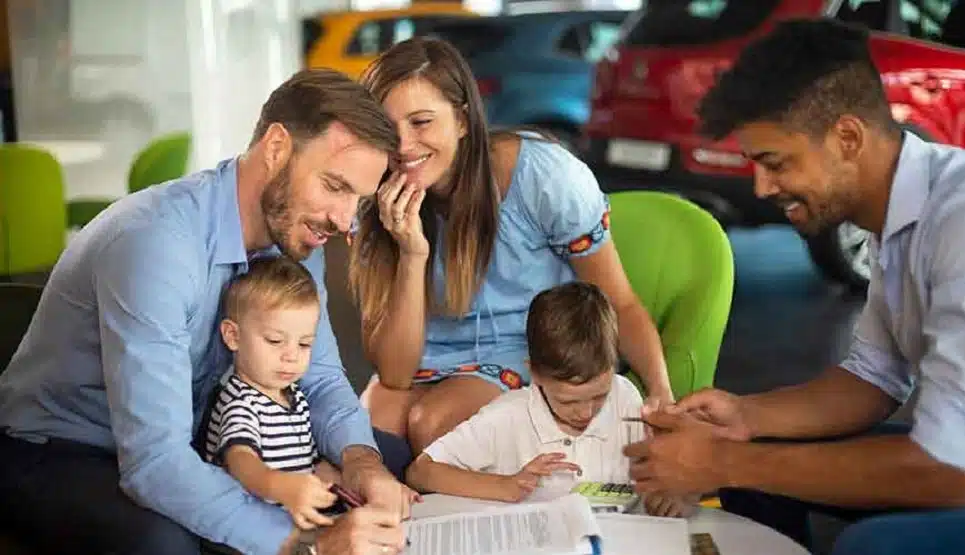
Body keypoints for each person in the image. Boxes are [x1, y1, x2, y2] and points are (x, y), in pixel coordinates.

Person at [621, 18, 965, 554]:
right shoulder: (900, 219)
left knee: (873, 546)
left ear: (847, 137)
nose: (762, 186)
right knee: (751, 454)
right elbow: (872, 379)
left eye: (776, 163)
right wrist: (746, 417)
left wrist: (722, 461)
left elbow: (946, 475)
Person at [0, 69, 413, 555]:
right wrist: (311, 544)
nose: (345, 221)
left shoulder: (294, 238)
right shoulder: (156, 243)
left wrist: (362, 464)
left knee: (391, 456)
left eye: (358, 200)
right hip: (60, 451)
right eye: (334, 185)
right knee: (165, 545)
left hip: (196, 431)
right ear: (277, 147)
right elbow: (154, 462)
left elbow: (318, 379)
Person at [348, 37, 674, 455]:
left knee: (432, 426)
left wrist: (661, 391)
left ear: (463, 120)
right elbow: (394, 374)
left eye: (421, 122)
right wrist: (412, 254)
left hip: (521, 349)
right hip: (424, 358)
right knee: (368, 440)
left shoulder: (542, 175)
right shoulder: (370, 200)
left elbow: (620, 301)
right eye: (386, 128)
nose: (403, 146)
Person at [406, 282, 696, 517]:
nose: (585, 412)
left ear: (613, 368)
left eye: (598, 395)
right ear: (534, 373)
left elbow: (684, 472)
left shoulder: (625, 397)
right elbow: (421, 471)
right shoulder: (508, 416)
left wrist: (676, 495)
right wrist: (504, 486)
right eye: (568, 401)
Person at [204, 255, 344, 531]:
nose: (291, 355)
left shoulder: (293, 398)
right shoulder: (241, 403)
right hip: (247, 532)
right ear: (233, 336)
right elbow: (240, 462)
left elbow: (307, 461)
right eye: (275, 341)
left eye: (304, 344)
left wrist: (330, 476)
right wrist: (281, 486)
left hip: (290, 523)